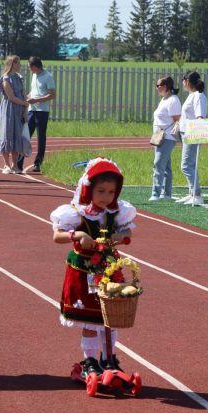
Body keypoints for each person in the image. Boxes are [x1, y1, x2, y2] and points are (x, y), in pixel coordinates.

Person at [50, 158, 136, 378]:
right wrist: (77, 235)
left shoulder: (116, 213)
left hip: (109, 268)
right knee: (91, 319)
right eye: (100, 191)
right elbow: (57, 236)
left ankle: (109, 358)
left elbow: (128, 233)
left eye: (110, 192)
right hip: (84, 270)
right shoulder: (77, 213)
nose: (105, 197)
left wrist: (121, 236)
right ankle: (89, 360)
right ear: (89, 189)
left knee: (111, 317)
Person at [16, 56, 56, 173]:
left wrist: (36, 100)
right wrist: (27, 97)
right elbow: (34, 91)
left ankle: (38, 163)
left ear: (34, 66)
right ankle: (19, 163)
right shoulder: (34, 75)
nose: (28, 68)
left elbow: (52, 95)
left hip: (42, 112)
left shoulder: (48, 76)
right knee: (25, 135)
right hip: (31, 110)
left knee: (41, 137)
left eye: (29, 66)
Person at [177, 71, 207, 206]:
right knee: (190, 164)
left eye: (184, 79)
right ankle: (192, 193)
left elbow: (200, 115)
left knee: (186, 165)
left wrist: (200, 132)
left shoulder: (198, 96)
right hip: (185, 132)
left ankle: (197, 194)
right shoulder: (191, 95)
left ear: (188, 81)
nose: (182, 82)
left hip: (192, 132)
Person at [149, 76, 181, 201]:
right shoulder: (164, 99)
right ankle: (166, 193)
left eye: (159, 86)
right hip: (159, 136)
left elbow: (178, 120)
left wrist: (174, 136)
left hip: (167, 137)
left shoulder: (173, 100)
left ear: (166, 86)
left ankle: (155, 194)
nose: (157, 88)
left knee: (158, 164)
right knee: (165, 166)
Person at [0, 55, 29, 174]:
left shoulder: (19, 78)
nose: (20, 65)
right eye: (18, 63)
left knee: (17, 135)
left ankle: (15, 165)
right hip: (9, 110)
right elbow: (11, 97)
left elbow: (24, 94)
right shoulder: (6, 79)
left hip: (19, 109)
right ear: (12, 64)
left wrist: (25, 110)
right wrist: (24, 103)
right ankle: (6, 165)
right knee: (7, 134)